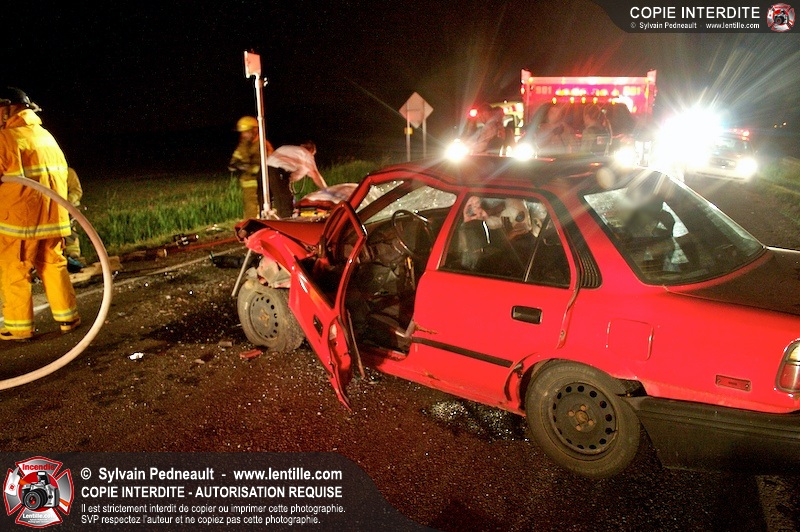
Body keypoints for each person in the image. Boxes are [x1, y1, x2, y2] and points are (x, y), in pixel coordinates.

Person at [0, 87, 80, 340]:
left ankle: (19, 328)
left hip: (21, 222)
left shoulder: (6, 139)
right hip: (53, 218)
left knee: (15, 271)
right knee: (54, 266)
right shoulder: (45, 136)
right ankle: (68, 318)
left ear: (8, 108)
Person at [228, 116, 274, 219]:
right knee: (250, 209)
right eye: (242, 133)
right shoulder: (242, 146)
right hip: (247, 184)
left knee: (262, 207)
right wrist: (237, 165)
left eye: (246, 132)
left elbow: (270, 164)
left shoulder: (263, 145)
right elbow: (233, 163)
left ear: (254, 130)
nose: (243, 135)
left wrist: (251, 168)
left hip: (261, 183)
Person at [266, 141, 327, 218]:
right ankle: (286, 223)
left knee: (268, 202)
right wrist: (326, 189)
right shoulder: (306, 153)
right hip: (277, 173)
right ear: (312, 151)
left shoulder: (291, 150)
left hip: (264, 172)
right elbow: (315, 174)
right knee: (285, 204)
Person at [64, 167, 85, 272]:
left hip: (69, 210)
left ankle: (74, 257)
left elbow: (77, 191)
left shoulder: (69, 172)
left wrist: (67, 201)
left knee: (71, 234)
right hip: (56, 210)